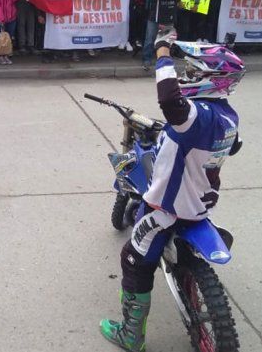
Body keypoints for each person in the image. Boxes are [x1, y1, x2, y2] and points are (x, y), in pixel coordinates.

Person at [100, 26, 245, 352]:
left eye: (194, 71)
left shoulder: (194, 117)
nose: (187, 74)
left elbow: (168, 99)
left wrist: (163, 52)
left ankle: (131, 335)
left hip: (167, 208)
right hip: (200, 203)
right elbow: (231, 147)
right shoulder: (226, 115)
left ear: (214, 79)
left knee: (132, 261)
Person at [142, 0, 182, 68]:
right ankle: (147, 59)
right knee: (150, 38)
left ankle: (165, 60)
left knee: (167, 40)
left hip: (170, 15)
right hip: (155, 14)